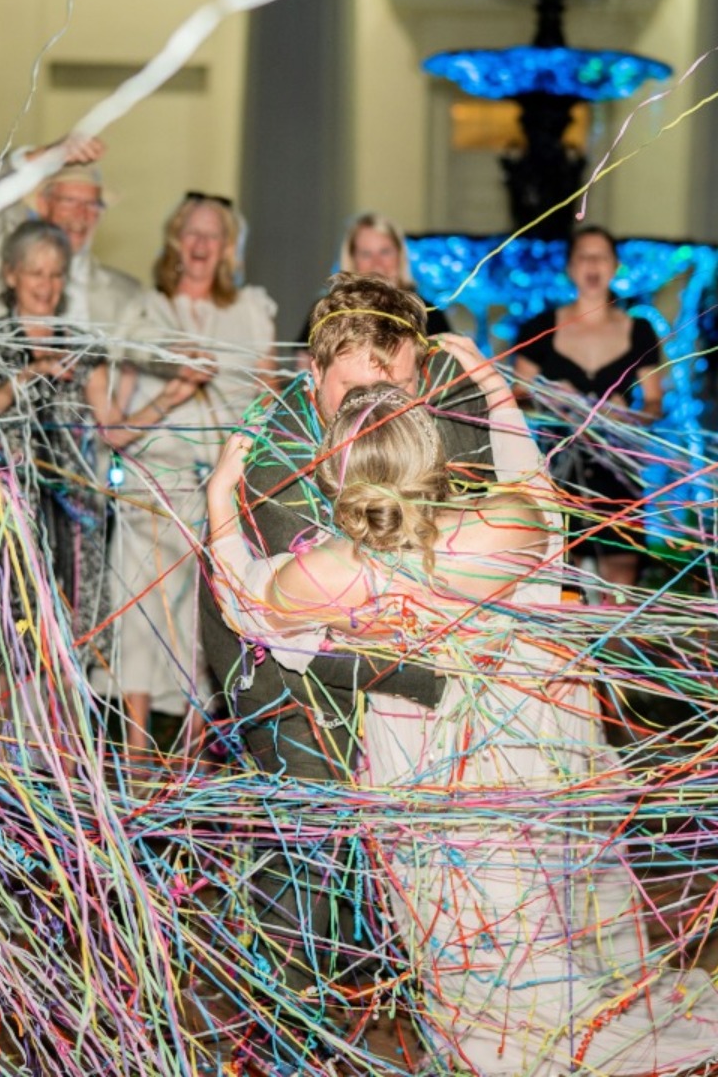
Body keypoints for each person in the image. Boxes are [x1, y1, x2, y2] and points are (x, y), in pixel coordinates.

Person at [207, 340, 718, 1076]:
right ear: (429, 455)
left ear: (340, 470)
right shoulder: (500, 527)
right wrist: (494, 391)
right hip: (509, 752)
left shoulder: (331, 572)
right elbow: (541, 496)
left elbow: (242, 599)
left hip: (415, 767)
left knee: (457, 942)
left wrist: (217, 497)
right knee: (528, 925)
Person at [197, 274, 491, 1019]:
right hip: (286, 676)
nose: (373, 412)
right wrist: (434, 680)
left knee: (427, 855)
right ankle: (289, 1026)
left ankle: (406, 995)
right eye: (353, 391)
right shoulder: (276, 462)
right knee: (307, 849)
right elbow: (290, 628)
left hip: (392, 665)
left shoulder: (443, 399)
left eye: (393, 387)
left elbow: (477, 502)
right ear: (312, 377)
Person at [0, 221, 198, 738]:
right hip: (6, 523)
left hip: (75, 526)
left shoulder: (82, 345)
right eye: (35, 272)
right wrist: (26, 378)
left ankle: (56, 785)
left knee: (63, 656)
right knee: (1, 655)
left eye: (55, 274)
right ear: (11, 274)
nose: (46, 284)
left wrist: (171, 395)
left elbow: (112, 431)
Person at [104, 193, 277, 765]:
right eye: (191, 234)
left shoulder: (250, 311)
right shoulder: (145, 314)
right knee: (140, 609)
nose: (202, 246)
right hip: (151, 486)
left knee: (204, 622)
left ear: (229, 248)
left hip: (219, 495)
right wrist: (173, 393)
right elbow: (113, 427)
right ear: (176, 241)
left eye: (214, 236)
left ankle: (190, 758)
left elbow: (271, 401)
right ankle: (133, 759)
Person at [513, 224, 663, 592]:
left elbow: (656, 401)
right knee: (567, 583)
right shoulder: (540, 328)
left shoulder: (640, 329)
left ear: (614, 267)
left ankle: (611, 645)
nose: (593, 264)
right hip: (561, 472)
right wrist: (549, 402)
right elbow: (515, 400)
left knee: (622, 578)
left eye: (602, 256)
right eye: (584, 256)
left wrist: (629, 417)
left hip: (618, 469)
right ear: (570, 267)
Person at [0, 135, 139, 326]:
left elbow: (150, 344)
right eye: (69, 202)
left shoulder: (124, 293)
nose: (81, 215)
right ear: (42, 204)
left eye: (92, 205)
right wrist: (37, 157)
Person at [295, 212, 451, 356]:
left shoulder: (426, 314)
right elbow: (304, 368)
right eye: (366, 254)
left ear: (399, 254)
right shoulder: (327, 311)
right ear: (352, 259)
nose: (377, 264)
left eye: (385, 252)